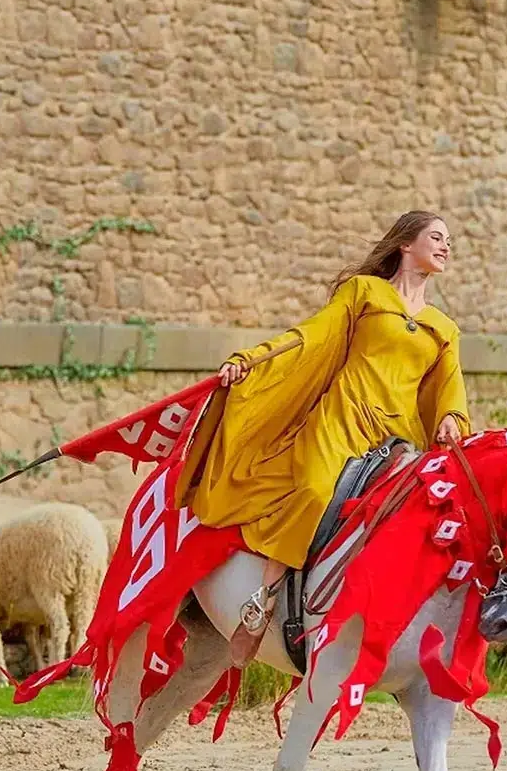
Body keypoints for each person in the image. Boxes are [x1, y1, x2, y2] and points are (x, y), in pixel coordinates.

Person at [183, 211, 471, 639]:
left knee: (415, 518)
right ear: (405, 244)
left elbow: (450, 387)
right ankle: (264, 598)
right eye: (437, 237)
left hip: (398, 435)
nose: (446, 246)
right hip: (341, 418)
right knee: (316, 491)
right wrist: (252, 359)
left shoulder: (444, 327)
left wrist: (450, 418)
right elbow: (312, 335)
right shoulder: (365, 292)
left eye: (449, 240)